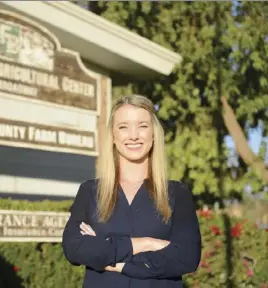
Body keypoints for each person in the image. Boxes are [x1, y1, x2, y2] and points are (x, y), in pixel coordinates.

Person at [62, 95, 202, 288]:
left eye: (142, 126)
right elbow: (74, 248)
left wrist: (114, 259)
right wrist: (146, 244)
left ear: (153, 134)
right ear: (113, 135)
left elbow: (187, 257)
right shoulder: (90, 191)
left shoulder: (177, 193)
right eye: (123, 127)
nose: (134, 135)